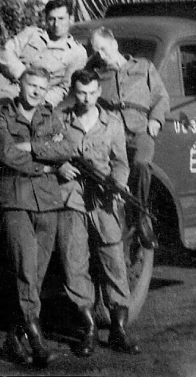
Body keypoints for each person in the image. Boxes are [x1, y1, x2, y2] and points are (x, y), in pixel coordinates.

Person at [0, 66, 74, 367]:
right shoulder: (0, 115)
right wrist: (44, 164)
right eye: (31, 86)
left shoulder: (51, 115)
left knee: (36, 274)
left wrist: (33, 146)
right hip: (15, 199)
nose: (36, 92)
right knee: (25, 268)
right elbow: (5, 154)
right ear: (19, 85)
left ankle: (14, 337)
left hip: (48, 202)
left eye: (42, 87)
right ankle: (36, 340)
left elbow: (66, 147)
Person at [56, 68, 140, 356]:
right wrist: (59, 166)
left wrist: (116, 184)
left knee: (114, 262)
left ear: (100, 91)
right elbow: (47, 150)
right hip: (71, 200)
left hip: (104, 201)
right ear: (73, 90)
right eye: (81, 92)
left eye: (92, 92)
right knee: (74, 262)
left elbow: (121, 162)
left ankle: (118, 331)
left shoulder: (112, 123)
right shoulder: (61, 120)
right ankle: (88, 329)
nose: (87, 98)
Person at [0, 0, 88, 139]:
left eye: (61, 18)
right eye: (51, 19)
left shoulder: (77, 53)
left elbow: (64, 88)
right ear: (46, 19)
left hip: (21, 97)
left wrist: (40, 103)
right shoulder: (32, 33)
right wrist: (23, 75)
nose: (56, 24)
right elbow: (5, 53)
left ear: (70, 19)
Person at [88, 26, 170, 249]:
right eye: (97, 52)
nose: (101, 56)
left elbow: (161, 98)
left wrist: (156, 119)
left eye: (103, 49)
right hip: (112, 134)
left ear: (114, 44)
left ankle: (141, 217)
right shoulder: (97, 75)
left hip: (140, 129)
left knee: (142, 164)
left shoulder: (143, 67)